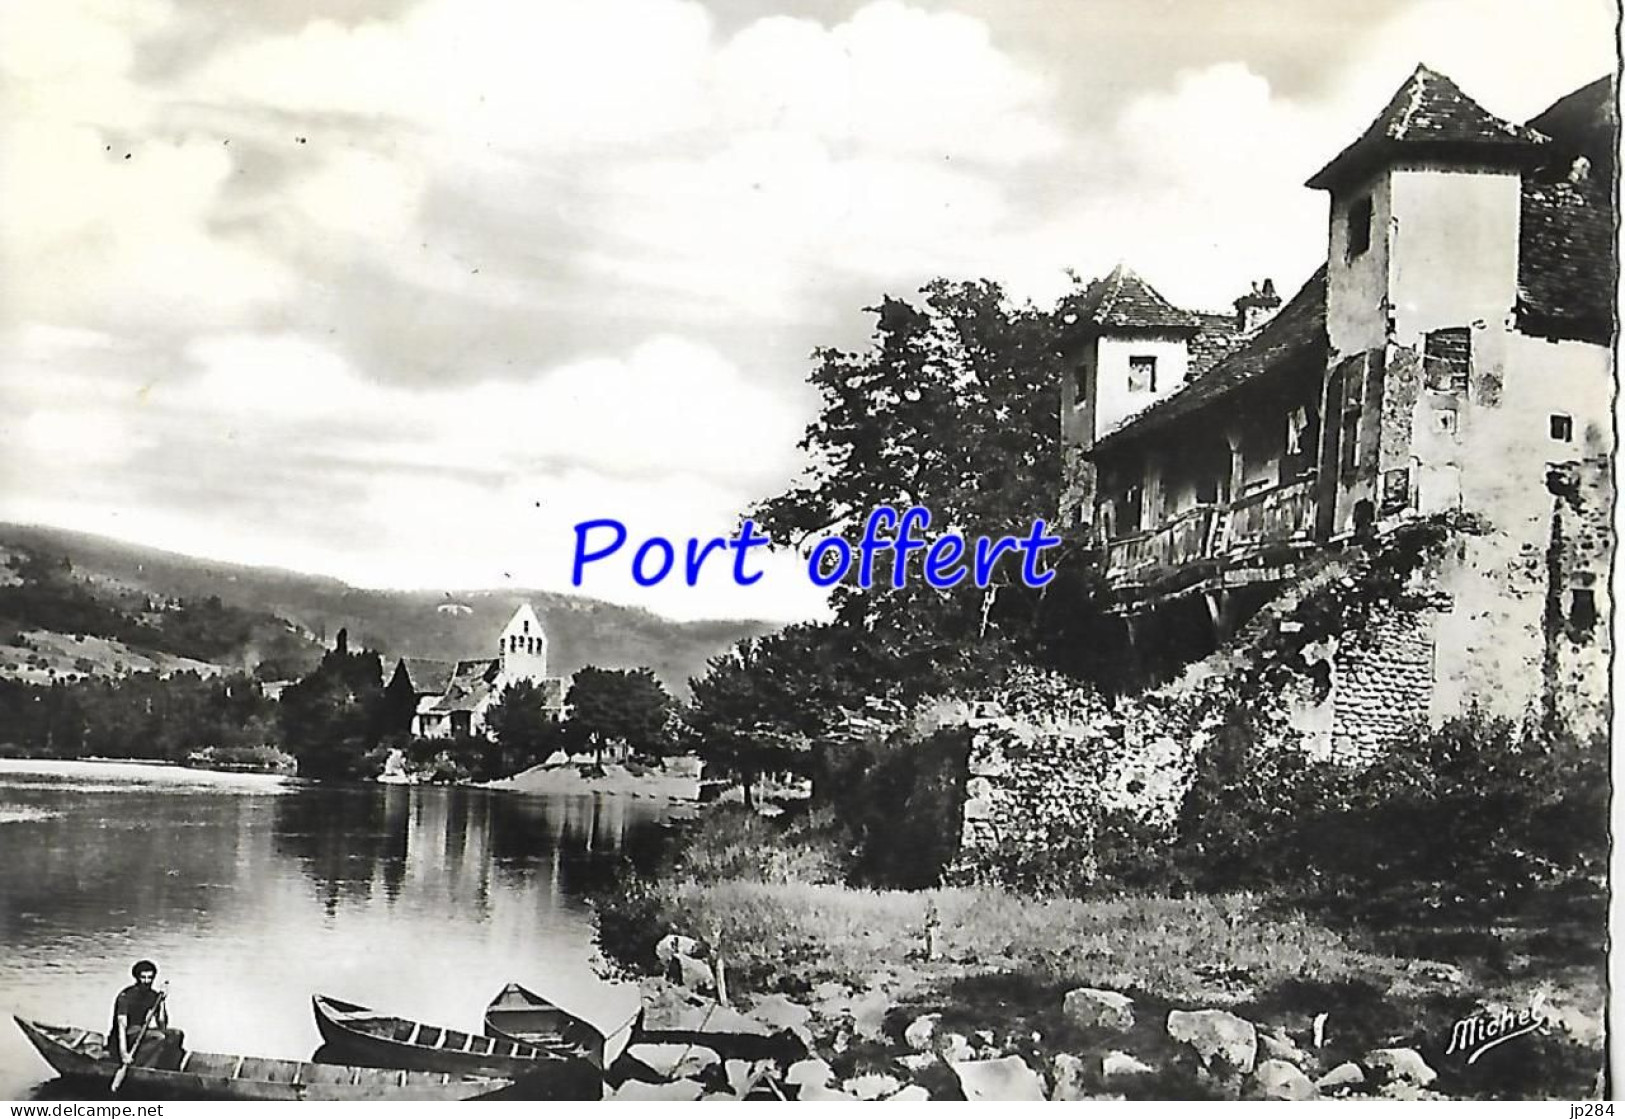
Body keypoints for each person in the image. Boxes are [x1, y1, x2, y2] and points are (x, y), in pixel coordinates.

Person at [110, 960, 184, 1069]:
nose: (146, 981)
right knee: (159, 1037)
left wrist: (162, 1001)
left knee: (177, 1034)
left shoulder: (152, 995)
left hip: (141, 1032)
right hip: (126, 1036)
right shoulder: (126, 996)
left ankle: (169, 1067)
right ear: (137, 978)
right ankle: (146, 1067)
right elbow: (122, 1026)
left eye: (150, 978)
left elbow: (162, 1025)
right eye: (143, 977)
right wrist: (124, 1053)